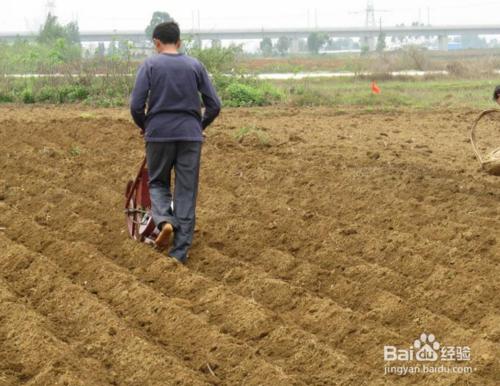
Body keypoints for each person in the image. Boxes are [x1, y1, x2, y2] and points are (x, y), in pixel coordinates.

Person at [130, 21, 221, 264]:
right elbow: (214, 105)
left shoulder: (150, 65)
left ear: (156, 43)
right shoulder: (195, 65)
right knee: (186, 192)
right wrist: (197, 126)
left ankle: (165, 221)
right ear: (179, 42)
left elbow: (136, 105)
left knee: (158, 182)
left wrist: (145, 125)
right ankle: (179, 254)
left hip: (159, 133)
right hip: (190, 136)